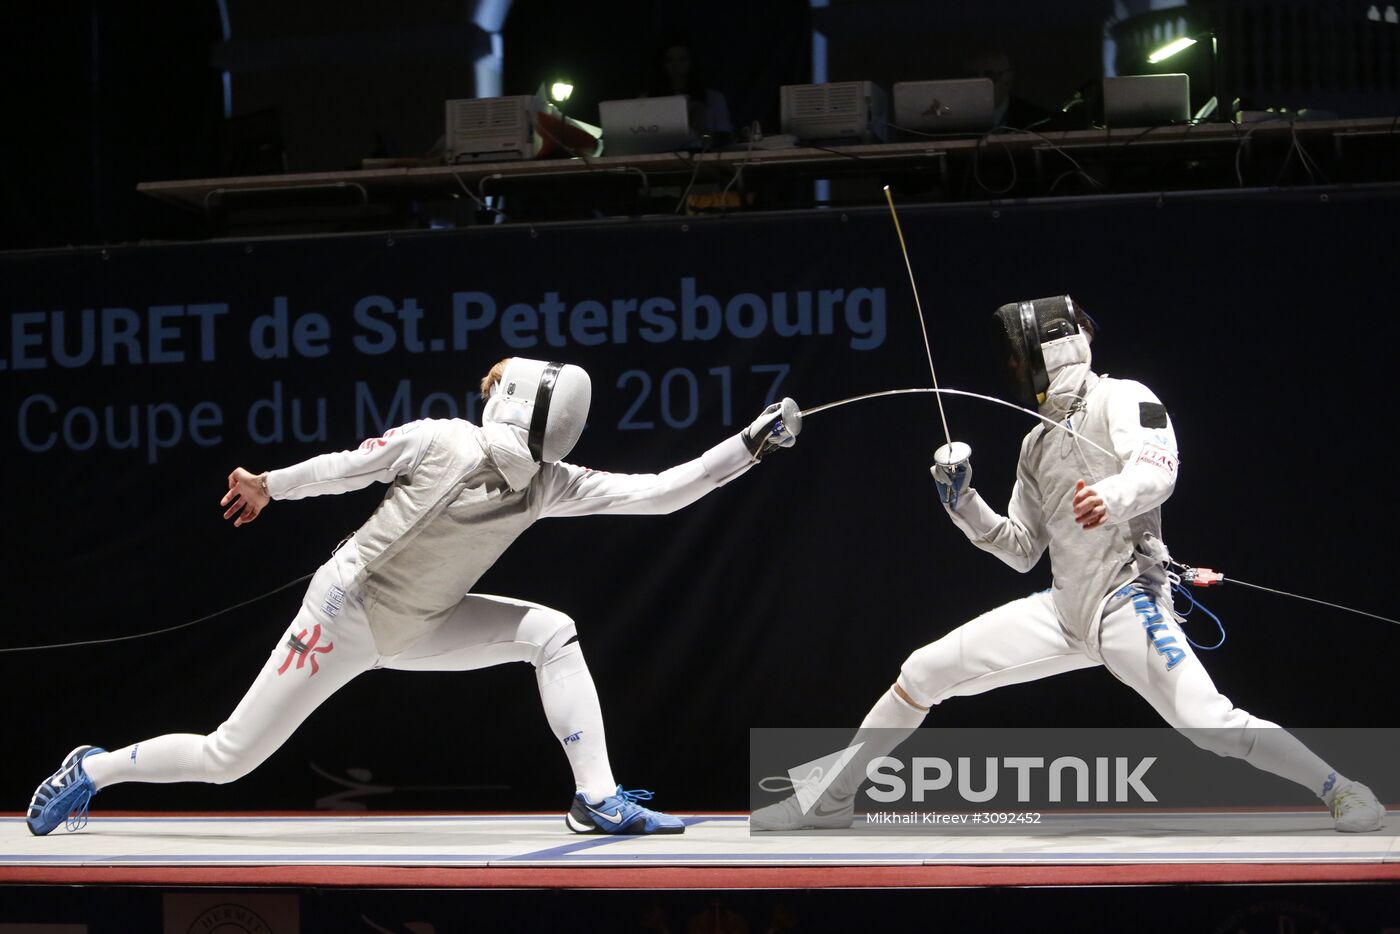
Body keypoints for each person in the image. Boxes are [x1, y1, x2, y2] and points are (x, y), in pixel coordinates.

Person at [27, 357, 801, 837]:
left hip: (423, 624)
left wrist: (748, 446)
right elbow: (346, 467)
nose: (488, 389)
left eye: (500, 385)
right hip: (343, 617)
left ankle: (595, 798)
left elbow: (663, 493)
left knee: (551, 633)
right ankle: (93, 769)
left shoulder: (547, 483)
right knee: (229, 759)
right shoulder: (444, 441)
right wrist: (272, 485)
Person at [752, 296, 1383, 833]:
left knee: (1209, 723)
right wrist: (962, 500)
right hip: (1063, 610)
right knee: (922, 670)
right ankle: (829, 796)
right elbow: (1022, 546)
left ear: (1050, 351)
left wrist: (1109, 497)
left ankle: (1339, 786)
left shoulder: (1124, 398)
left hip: (1126, 598)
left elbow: (1158, 469)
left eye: (1018, 355)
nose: (1010, 367)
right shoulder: (1036, 439)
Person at [644, 37, 733, 140]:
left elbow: (724, 139)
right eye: (670, 60)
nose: (676, 66)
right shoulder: (646, 102)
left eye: (683, 60)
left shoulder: (714, 99)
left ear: (692, 62)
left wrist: (700, 130)